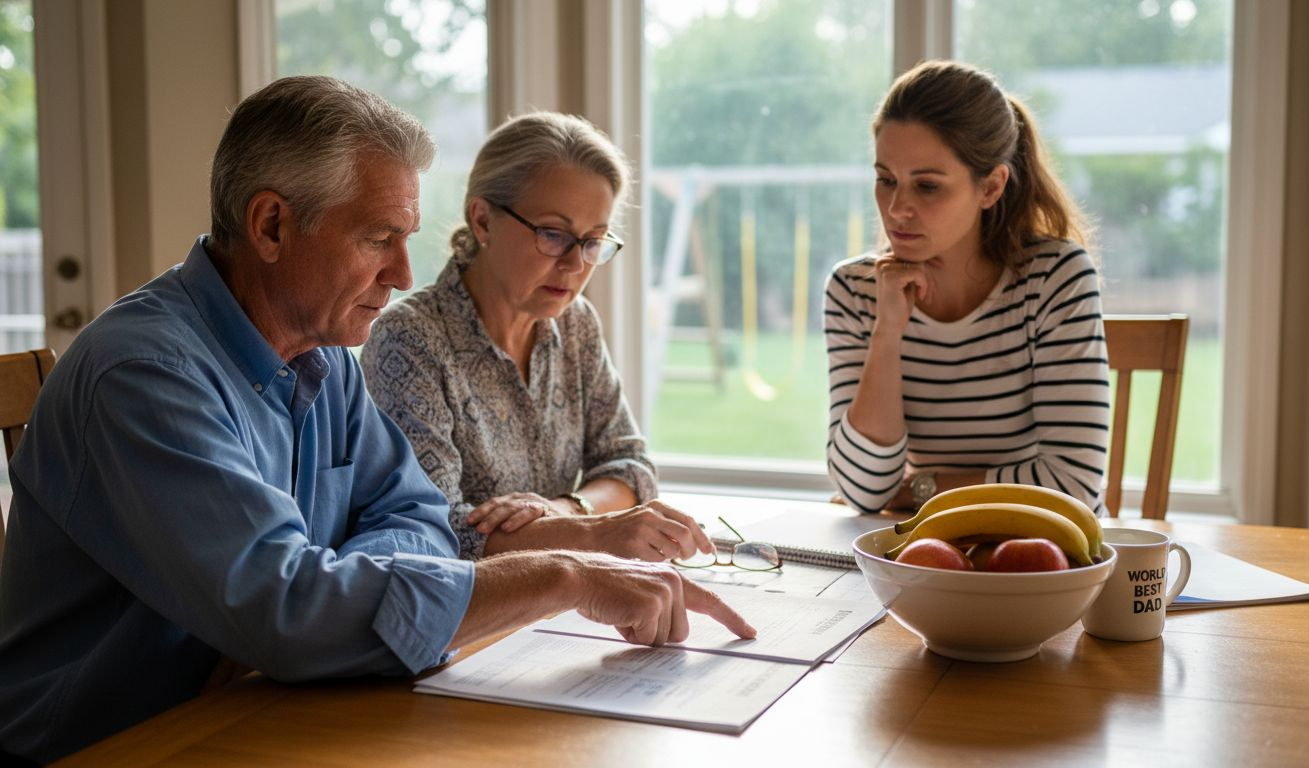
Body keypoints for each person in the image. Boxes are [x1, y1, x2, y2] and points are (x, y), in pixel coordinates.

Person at [0, 76, 751, 765]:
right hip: (120, 742)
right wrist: (559, 574)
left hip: (271, 709)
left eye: (406, 238)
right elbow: (290, 612)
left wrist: (327, 602)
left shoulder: (319, 353)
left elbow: (416, 517)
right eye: (377, 238)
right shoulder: (146, 376)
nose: (401, 274)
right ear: (270, 226)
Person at [363, 112, 690, 563]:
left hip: (563, 602)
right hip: (473, 619)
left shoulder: (576, 324)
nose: (576, 265)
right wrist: (592, 535)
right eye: (553, 234)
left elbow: (629, 466)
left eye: (593, 241)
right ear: (482, 221)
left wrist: (566, 510)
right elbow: (431, 529)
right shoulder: (409, 340)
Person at [824, 60, 1109, 515]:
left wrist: (922, 488)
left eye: (928, 186)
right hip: (923, 556)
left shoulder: (1055, 277)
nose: (897, 208)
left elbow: (1072, 486)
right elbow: (863, 491)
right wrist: (887, 334)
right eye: (886, 180)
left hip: (1043, 556)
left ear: (992, 186)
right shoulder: (855, 289)